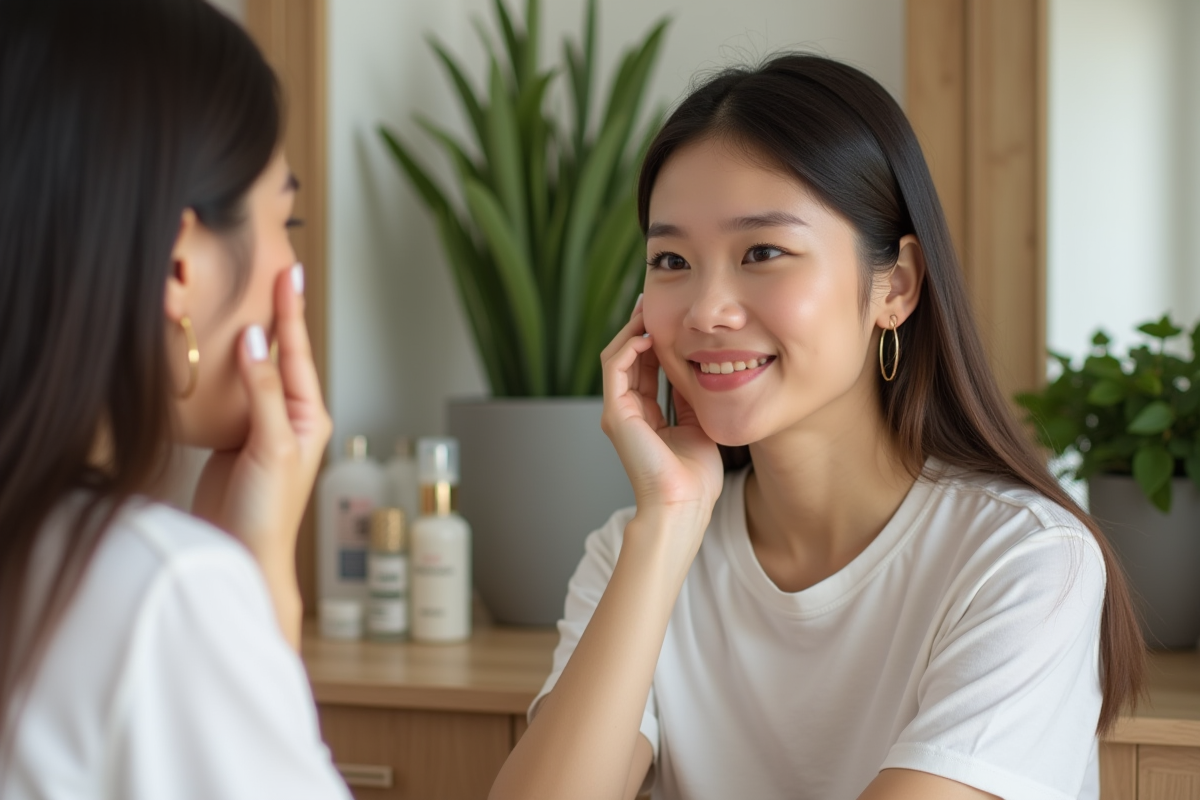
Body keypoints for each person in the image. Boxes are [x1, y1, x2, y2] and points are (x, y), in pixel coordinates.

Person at [490, 54, 1145, 800]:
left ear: (895, 284)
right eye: (671, 259)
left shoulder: (1023, 562)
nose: (707, 311)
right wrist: (669, 521)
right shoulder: (634, 554)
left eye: (763, 252)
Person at [0, 1, 351, 797]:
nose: (291, 270)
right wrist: (251, 593)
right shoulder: (164, 591)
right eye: (283, 219)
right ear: (179, 266)